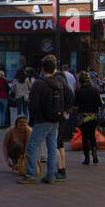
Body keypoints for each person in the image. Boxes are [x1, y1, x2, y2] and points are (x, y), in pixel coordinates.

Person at [22, 55, 72, 185]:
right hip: (56, 118)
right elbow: (70, 96)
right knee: (52, 146)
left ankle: (31, 174)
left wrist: (32, 120)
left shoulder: (39, 84)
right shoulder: (59, 82)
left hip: (42, 119)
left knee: (32, 146)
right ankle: (50, 175)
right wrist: (65, 111)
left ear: (43, 69)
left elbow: (33, 105)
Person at [75, 72, 104, 165]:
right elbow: (100, 103)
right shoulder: (94, 90)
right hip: (93, 116)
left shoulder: (79, 91)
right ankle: (94, 154)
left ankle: (87, 157)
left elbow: (75, 103)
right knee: (92, 135)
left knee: (84, 136)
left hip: (83, 116)